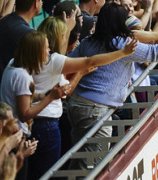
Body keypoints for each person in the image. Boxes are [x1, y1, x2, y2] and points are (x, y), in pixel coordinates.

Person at [66, 3, 158, 170]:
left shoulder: (88, 41)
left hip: (76, 105)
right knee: (91, 164)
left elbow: (69, 63)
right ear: (120, 23)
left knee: (81, 156)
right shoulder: (122, 45)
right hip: (96, 111)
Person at [24, 16, 136, 179]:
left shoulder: (31, 58)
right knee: (52, 172)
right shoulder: (53, 60)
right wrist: (121, 53)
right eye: (65, 35)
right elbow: (80, 73)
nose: (67, 38)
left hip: (37, 121)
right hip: (47, 122)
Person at [0, 0, 42, 100]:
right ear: (36, 3)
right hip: (8, 100)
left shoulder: (5, 21)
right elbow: (45, 68)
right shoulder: (25, 34)